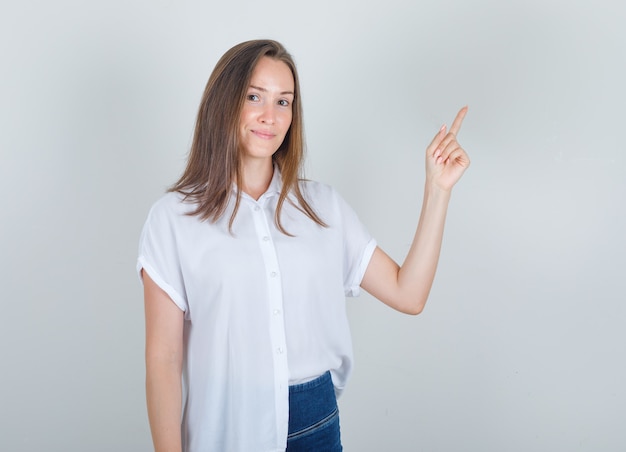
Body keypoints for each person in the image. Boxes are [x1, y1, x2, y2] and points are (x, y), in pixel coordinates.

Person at [137, 39, 469, 452]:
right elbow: (164, 360)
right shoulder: (173, 219)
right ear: (224, 102)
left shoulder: (323, 207)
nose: (269, 116)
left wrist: (437, 191)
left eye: (284, 102)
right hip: (227, 425)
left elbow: (409, 293)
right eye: (254, 96)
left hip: (315, 421)